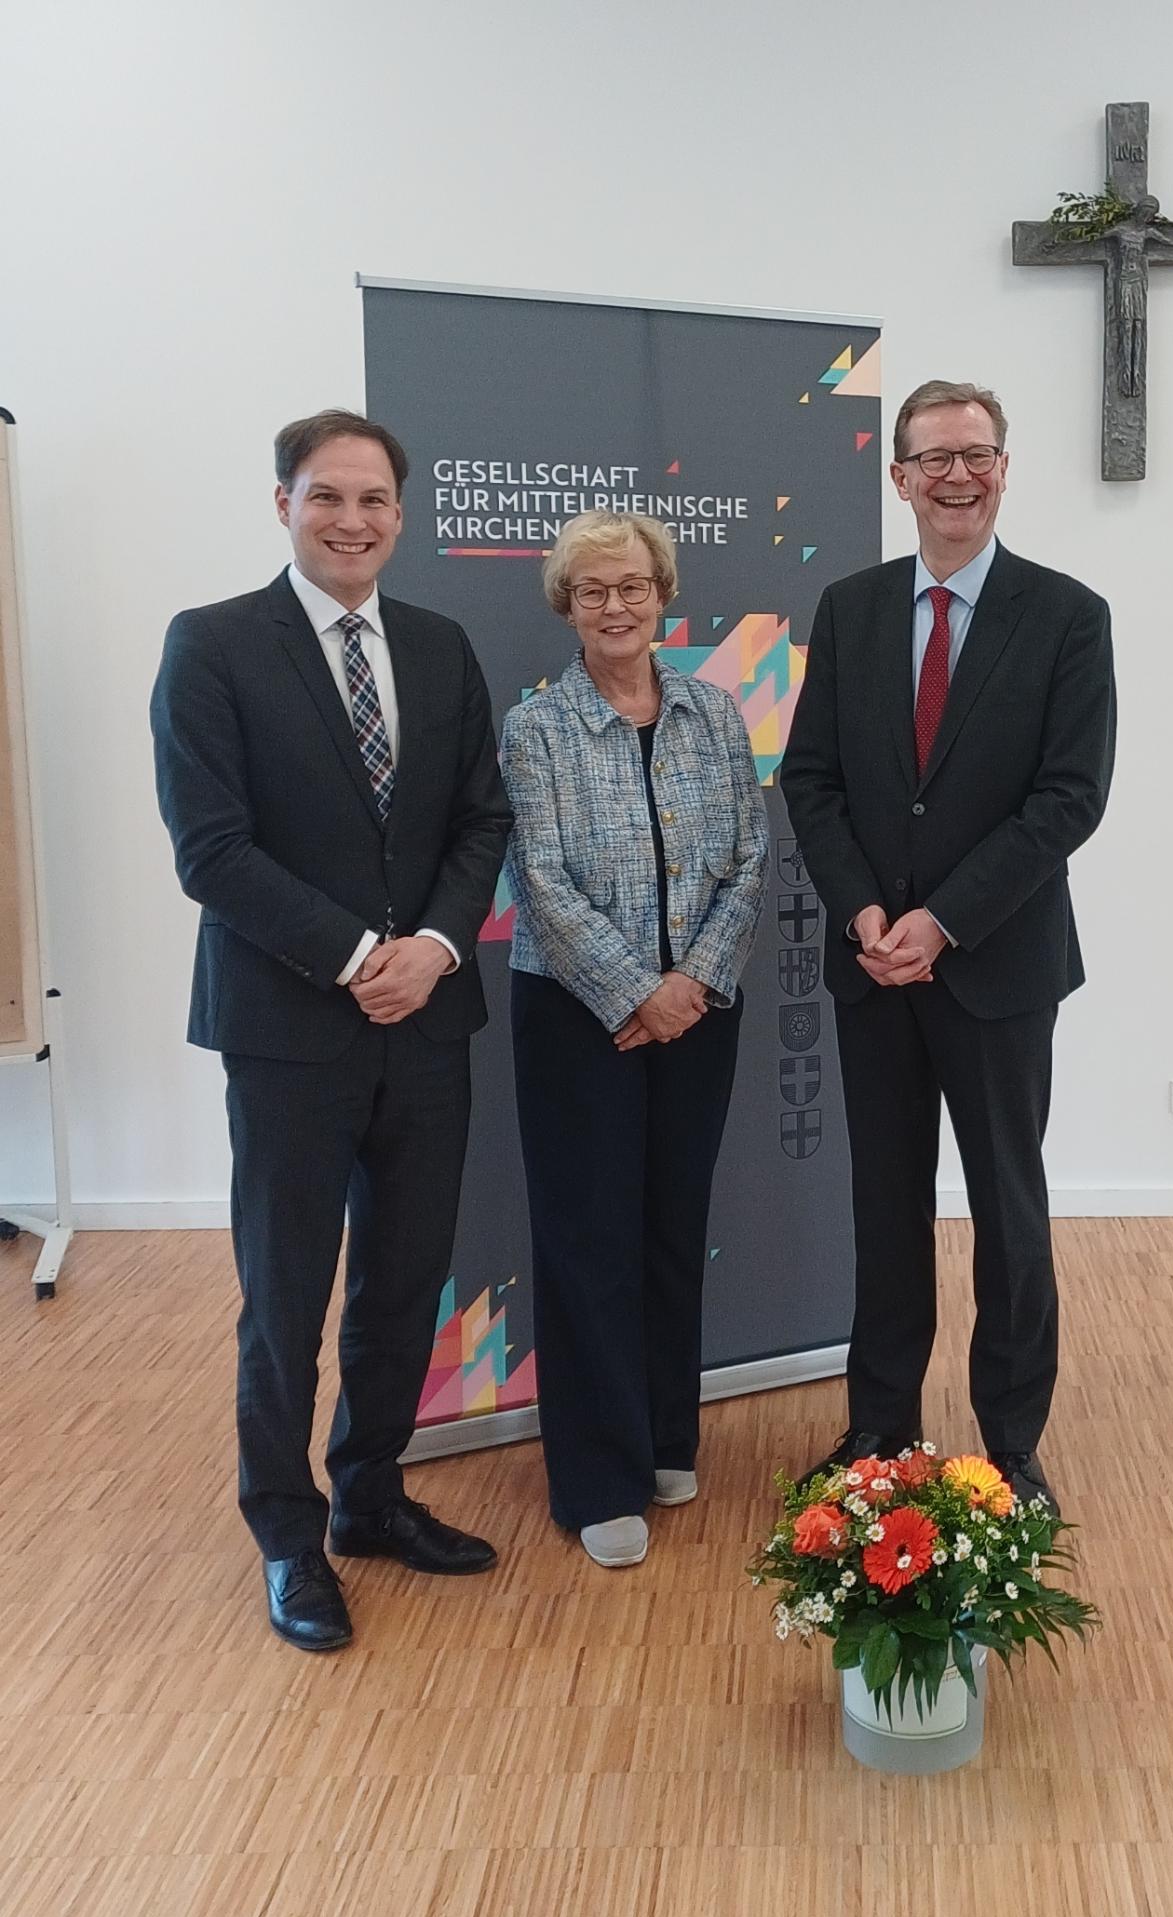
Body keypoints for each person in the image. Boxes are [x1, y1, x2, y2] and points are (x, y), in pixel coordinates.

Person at [151, 410, 513, 1651]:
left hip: (429, 1020)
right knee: (286, 1296)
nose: (351, 520)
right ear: (283, 503)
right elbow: (212, 851)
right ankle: (287, 1534)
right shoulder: (212, 645)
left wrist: (436, 947)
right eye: (326, 496)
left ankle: (370, 1493)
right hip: (289, 1031)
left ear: (400, 515)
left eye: (373, 500)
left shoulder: (441, 645)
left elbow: (482, 819)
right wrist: (362, 957)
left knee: (405, 1280)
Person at [780, 380, 1117, 1514]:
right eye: (934, 458)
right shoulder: (851, 608)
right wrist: (864, 913)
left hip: (998, 969)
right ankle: (879, 1428)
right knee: (885, 1210)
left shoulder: (1068, 616)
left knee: (1009, 1212)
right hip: (873, 968)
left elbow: (1068, 799)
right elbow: (813, 780)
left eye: (976, 454)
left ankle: (1010, 1446)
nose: (956, 475)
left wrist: (945, 919)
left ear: (1004, 469)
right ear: (900, 477)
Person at [501, 513, 767, 1569]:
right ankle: (597, 1477)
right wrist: (633, 992)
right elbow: (540, 877)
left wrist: (690, 983)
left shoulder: (715, 712)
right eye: (593, 590)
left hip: (700, 1010)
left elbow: (749, 856)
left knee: (670, 1227)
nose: (616, 606)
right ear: (566, 605)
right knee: (589, 1242)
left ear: (664, 595)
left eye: (634, 586)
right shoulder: (537, 728)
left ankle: (664, 1436)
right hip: (579, 1017)